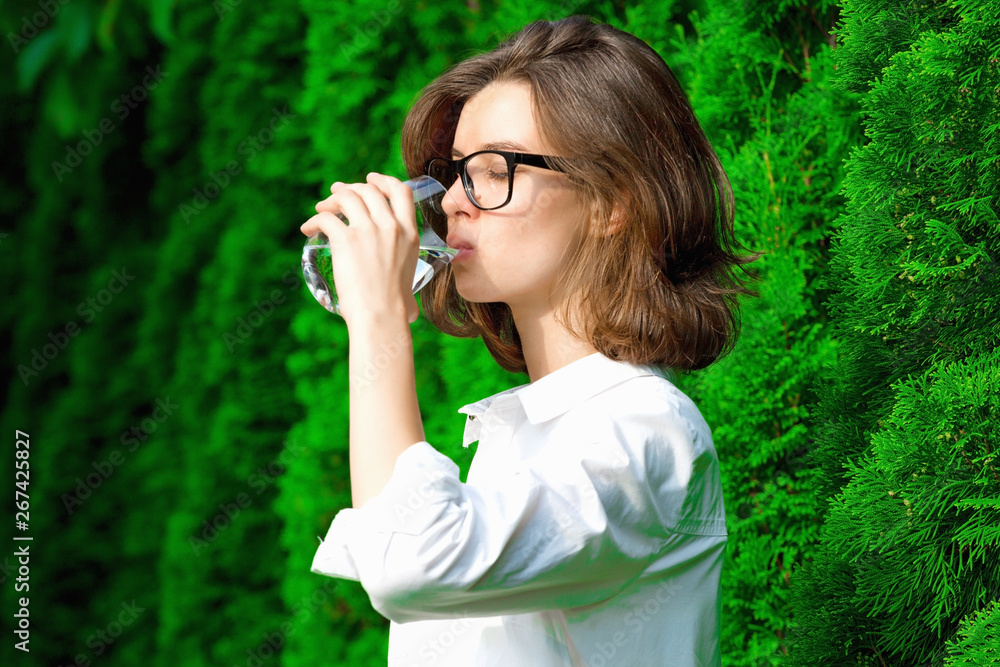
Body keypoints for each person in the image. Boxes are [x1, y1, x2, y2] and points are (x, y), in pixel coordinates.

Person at [301, 14, 761, 667]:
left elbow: (408, 561)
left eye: (494, 168)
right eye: (456, 171)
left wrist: (378, 321)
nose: (454, 200)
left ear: (611, 201)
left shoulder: (646, 431)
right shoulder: (531, 429)